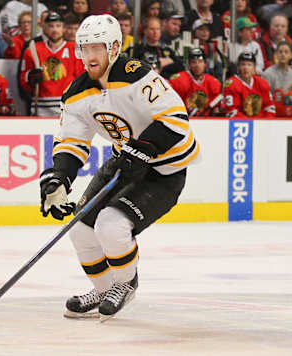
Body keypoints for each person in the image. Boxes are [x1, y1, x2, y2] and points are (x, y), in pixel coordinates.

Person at [39, 14, 199, 321]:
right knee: (80, 230)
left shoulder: (135, 74)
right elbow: (72, 143)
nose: (90, 56)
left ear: (114, 48)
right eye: (84, 49)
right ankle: (102, 288)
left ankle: (125, 284)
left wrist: (143, 149)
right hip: (125, 159)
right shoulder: (76, 94)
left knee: (111, 225)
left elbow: (175, 119)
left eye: (96, 48)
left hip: (165, 168)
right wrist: (58, 178)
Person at [19, 12, 84, 116]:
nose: (54, 29)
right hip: (40, 108)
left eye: (58, 26)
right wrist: (29, 77)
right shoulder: (33, 50)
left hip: (68, 107)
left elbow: (82, 79)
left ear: (64, 28)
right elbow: (23, 82)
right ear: (44, 28)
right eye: (51, 26)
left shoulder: (74, 49)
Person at [169, 47, 222, 116]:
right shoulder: (179, 80)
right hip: (183, 120)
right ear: (189, 65)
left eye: (200, 62)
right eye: (193, 62)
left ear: (205, 64)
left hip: (205, 122)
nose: (197, 65)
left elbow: (217, 109)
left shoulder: (213, 82)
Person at [222, 51, 275, 118]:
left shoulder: (262, 83)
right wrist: (251, 123)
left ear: (254, 68)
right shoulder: (231, 84)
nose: (246, 68)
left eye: (249, 65)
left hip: (261, 123)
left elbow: (270, 108)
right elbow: (231, 112)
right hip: (241, 124)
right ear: (238, 67)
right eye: (243, 64)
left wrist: (265, 123)